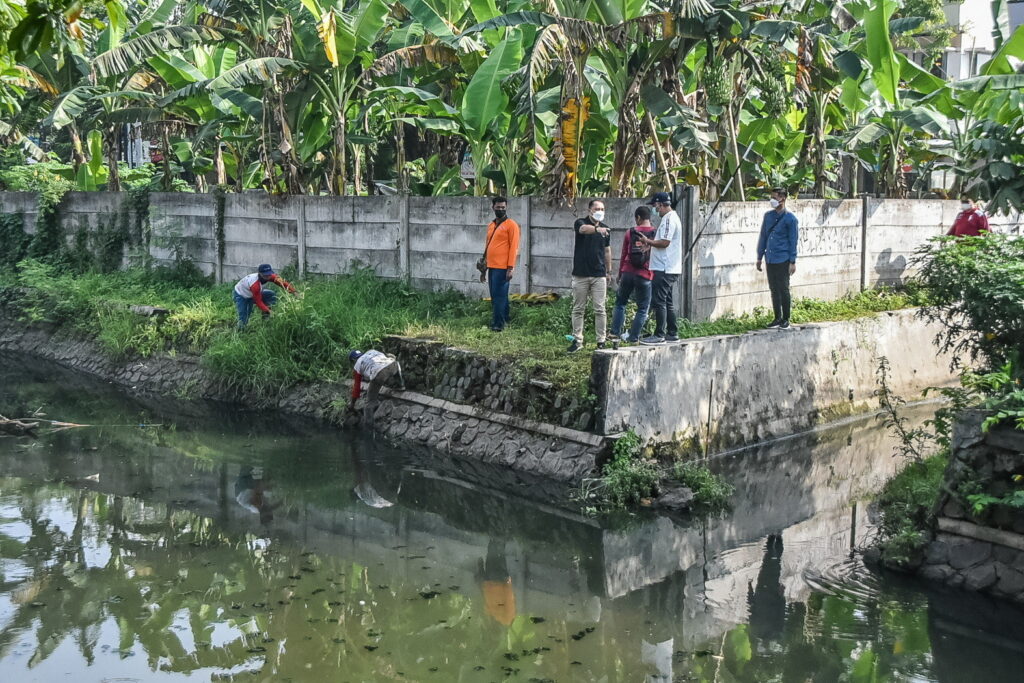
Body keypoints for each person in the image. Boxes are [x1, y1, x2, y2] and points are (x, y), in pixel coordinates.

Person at [568, 199, 613, 353]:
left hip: (599, 274)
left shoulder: (606, 229)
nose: (600, 211)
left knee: (600, 309)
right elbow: (583, 230)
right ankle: (577, 340)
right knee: (578, 308)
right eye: (597, 208)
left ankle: (601, 340)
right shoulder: (580, 222)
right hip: (580, 274)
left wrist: (609, 271)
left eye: (602, 208)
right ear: (589, 210)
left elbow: (607, 250)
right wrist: (597, 229)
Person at [638, 191, 682, 345]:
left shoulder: (669, 219)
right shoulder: (669, 219)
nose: (655, 210)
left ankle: (659, 335)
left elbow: (664, 242)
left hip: (665, 268)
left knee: (659, 301)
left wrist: (647, 241)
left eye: (656, 206)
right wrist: (650, 247)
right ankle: (672, 332)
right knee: (667, 301)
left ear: (661, 204)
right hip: (667, 267)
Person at [610, 205, 656, 344]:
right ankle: (633, 337)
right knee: (643, 308)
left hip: (628, 272)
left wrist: (620, 274)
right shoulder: (656, 234)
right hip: (645, 274)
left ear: (638, 218)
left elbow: (624, 253)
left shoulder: (630, 232)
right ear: (649, 218)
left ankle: (614, 333)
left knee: (620, 303)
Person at [756, 188, 799, 329]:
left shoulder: (791, 219)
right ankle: (777, 318)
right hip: (770, 258)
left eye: (775, 197)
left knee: (783, 289)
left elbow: (793, 241)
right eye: (772, 197)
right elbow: (763, 236)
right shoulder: (768, 216)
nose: (772, 200)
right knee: (774, 289)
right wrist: (759, 256)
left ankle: (786, 318)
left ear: (783, 198)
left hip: (783, 258)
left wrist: (792, 261)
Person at [480, 196, 521, 332]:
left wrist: (510, 267)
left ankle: (498, 324)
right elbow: (488, 245)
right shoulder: (491, 225)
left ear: (506, 208)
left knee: (499, 296)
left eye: (503, 208)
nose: (501, 210)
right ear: (493, 208)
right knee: (495, 295)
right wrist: (484, 266)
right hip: (492, 266)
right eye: (498, 208)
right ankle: (504, 319)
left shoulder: (511, 225)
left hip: (502, 267)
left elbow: (514, 247)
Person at [348, 349, 405, 425]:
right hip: (393, 366)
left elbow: (356, 389)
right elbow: (386, 357)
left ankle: (369, 430)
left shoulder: (357, 365)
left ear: (353, 360)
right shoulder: (371, 351)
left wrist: (352, 405)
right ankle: (401, 385)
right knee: (394, 365)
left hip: (379, 373)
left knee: (368, 405)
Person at [233, 263, 297, 328]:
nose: (268, 277)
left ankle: (266, 319)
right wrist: (268, 310)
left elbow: (283, 283)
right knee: (244, 316)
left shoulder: (270, 276)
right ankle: (241, 330)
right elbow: (258, 301)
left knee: (270, 294)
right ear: (260, 274)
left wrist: (294, 291)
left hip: (254, 293)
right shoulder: (255, 284)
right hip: (242, 295)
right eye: (265, 275)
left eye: (269, 274)